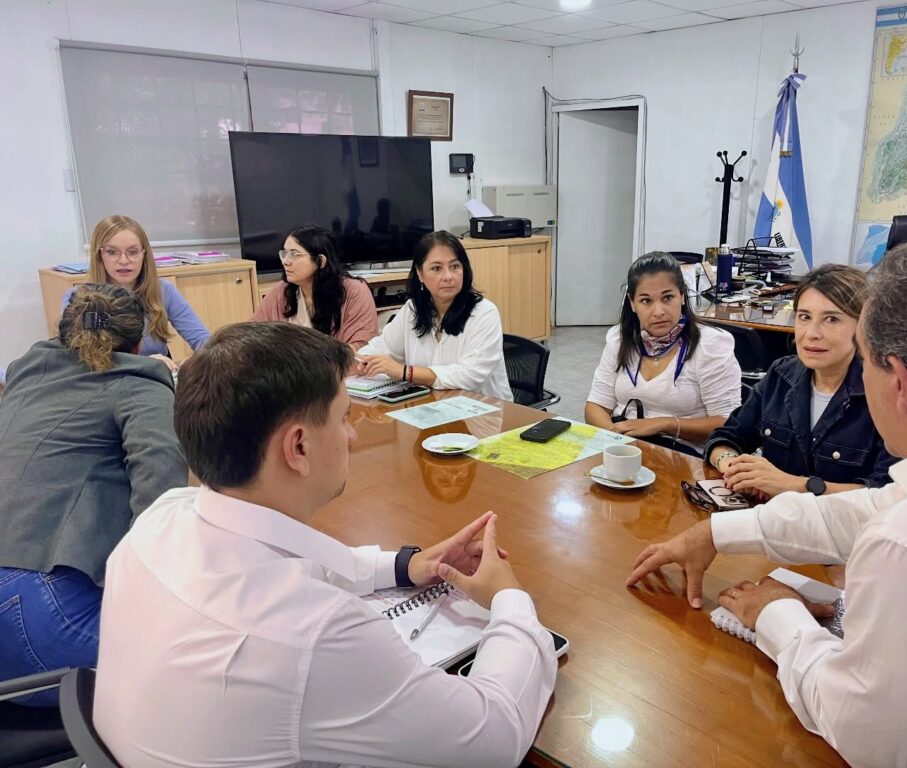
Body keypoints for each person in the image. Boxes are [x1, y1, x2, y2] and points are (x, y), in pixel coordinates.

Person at [627, 230, 907, 767]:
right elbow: (873, 509)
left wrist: (777, 614)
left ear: (899, 380)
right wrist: (718, 531)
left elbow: (872, 742)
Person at [94, 321, 556, 767]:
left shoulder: (163, 517)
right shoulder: (316, 635)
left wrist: (406, 566)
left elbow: (289, 564)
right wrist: (509, 599)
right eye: (344, 417)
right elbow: (495, 736)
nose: (352, 436)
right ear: (298, 447)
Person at [0, 284, 186, 706]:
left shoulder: (26, 371)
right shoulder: (139, 383)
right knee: (219, 654)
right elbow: (162, 496)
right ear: (139, 345)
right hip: (36, 614)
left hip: (20, 604)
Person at [704, 264, 895, 499]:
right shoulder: (781, 375)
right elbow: (725, 438)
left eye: (831, 319)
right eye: (804, 317)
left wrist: (794, 485)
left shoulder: (886, 393)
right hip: (773, 515)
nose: (812, 333)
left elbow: (887, 493)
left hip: (843, 522)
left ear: (864, 327)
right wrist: (735, 468)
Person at [585, 252, 741, 449]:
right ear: (632, 303)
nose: (658, 312)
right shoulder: (619, 338)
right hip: (625, 447)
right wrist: (617, 441)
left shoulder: (710, 344)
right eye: (646, 301)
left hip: (684, 454)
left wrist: (666, 424)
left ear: (682, 296)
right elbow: (596, 406)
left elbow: (727, 425)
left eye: (667, 298)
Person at [356, 231, 514, 401]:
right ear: (420, 273)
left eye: (455, 266)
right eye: (436, 268)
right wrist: (362, 362)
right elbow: (381, 348)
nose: (448, 277)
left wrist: (405, 372)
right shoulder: (412, 310)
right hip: (432, 406)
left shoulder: (484, 312)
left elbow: (470, 376)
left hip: (484, 410)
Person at [62, 215, 209, 372]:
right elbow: (75, 360)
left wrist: (196, 363)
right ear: (99, 255)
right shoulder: (79, 299)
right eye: (112, 252)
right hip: (103, 380)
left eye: (133, 252)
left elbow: (205, 342)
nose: (124, 260)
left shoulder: (162, 290)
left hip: (154, 379)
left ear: (144, 253)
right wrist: (144, 363)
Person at [251, 224, 378, 349]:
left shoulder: (354, 290)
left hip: (338, 362)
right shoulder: (281, 290)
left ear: (320, 261)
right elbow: (253, 332)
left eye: (295, 254)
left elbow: (362, 344)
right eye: (284, 253)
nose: (285, 261)